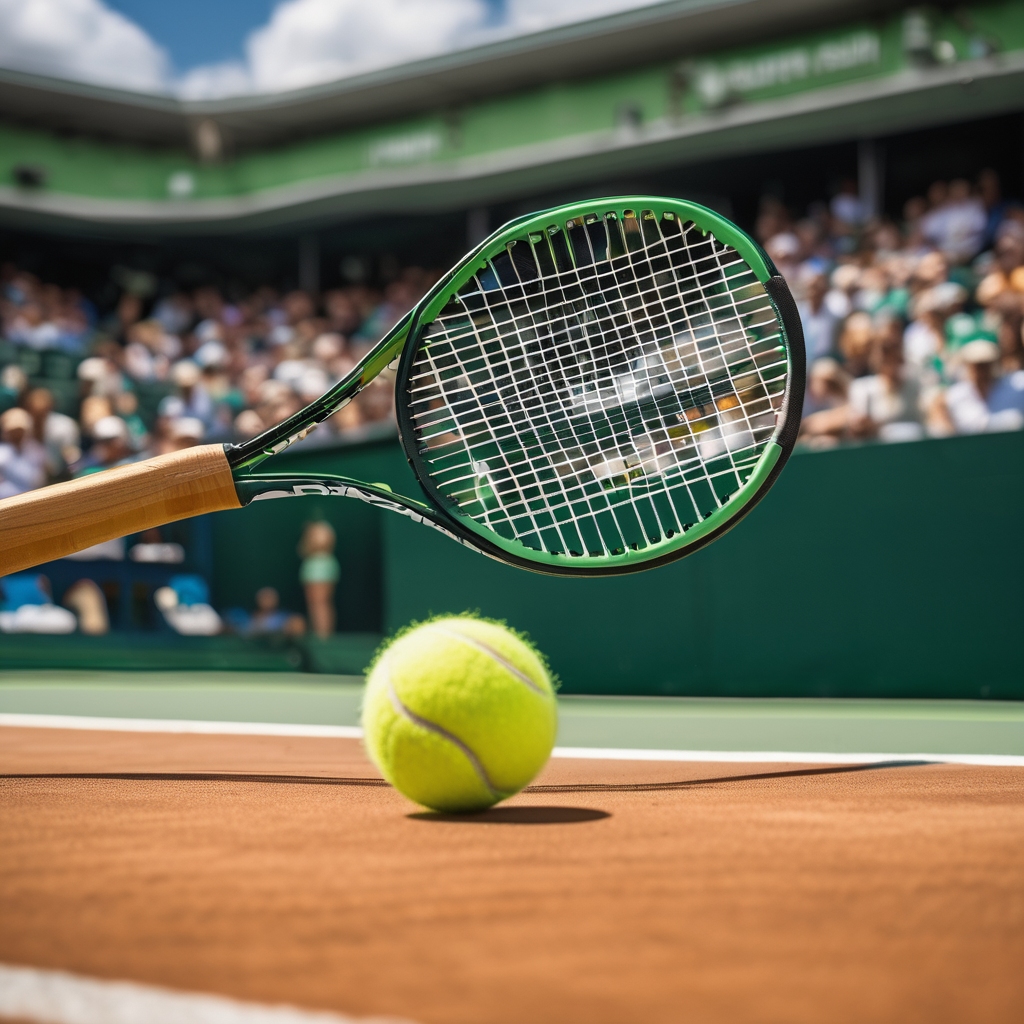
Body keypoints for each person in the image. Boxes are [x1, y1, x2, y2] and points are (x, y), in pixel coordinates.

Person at [298, 520, 339, 639]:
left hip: (319, 567)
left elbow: (322, 544)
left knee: (320, 604)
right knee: (315, 604)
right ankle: (320, 635)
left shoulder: (321, 529)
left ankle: (323, 637)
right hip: (315, 567)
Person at [0, 407, 48, 497]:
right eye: (13, 431)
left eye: (20, 430)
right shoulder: (1, 453)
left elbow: (39, 481)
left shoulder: (37, 450)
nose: (17, 434)